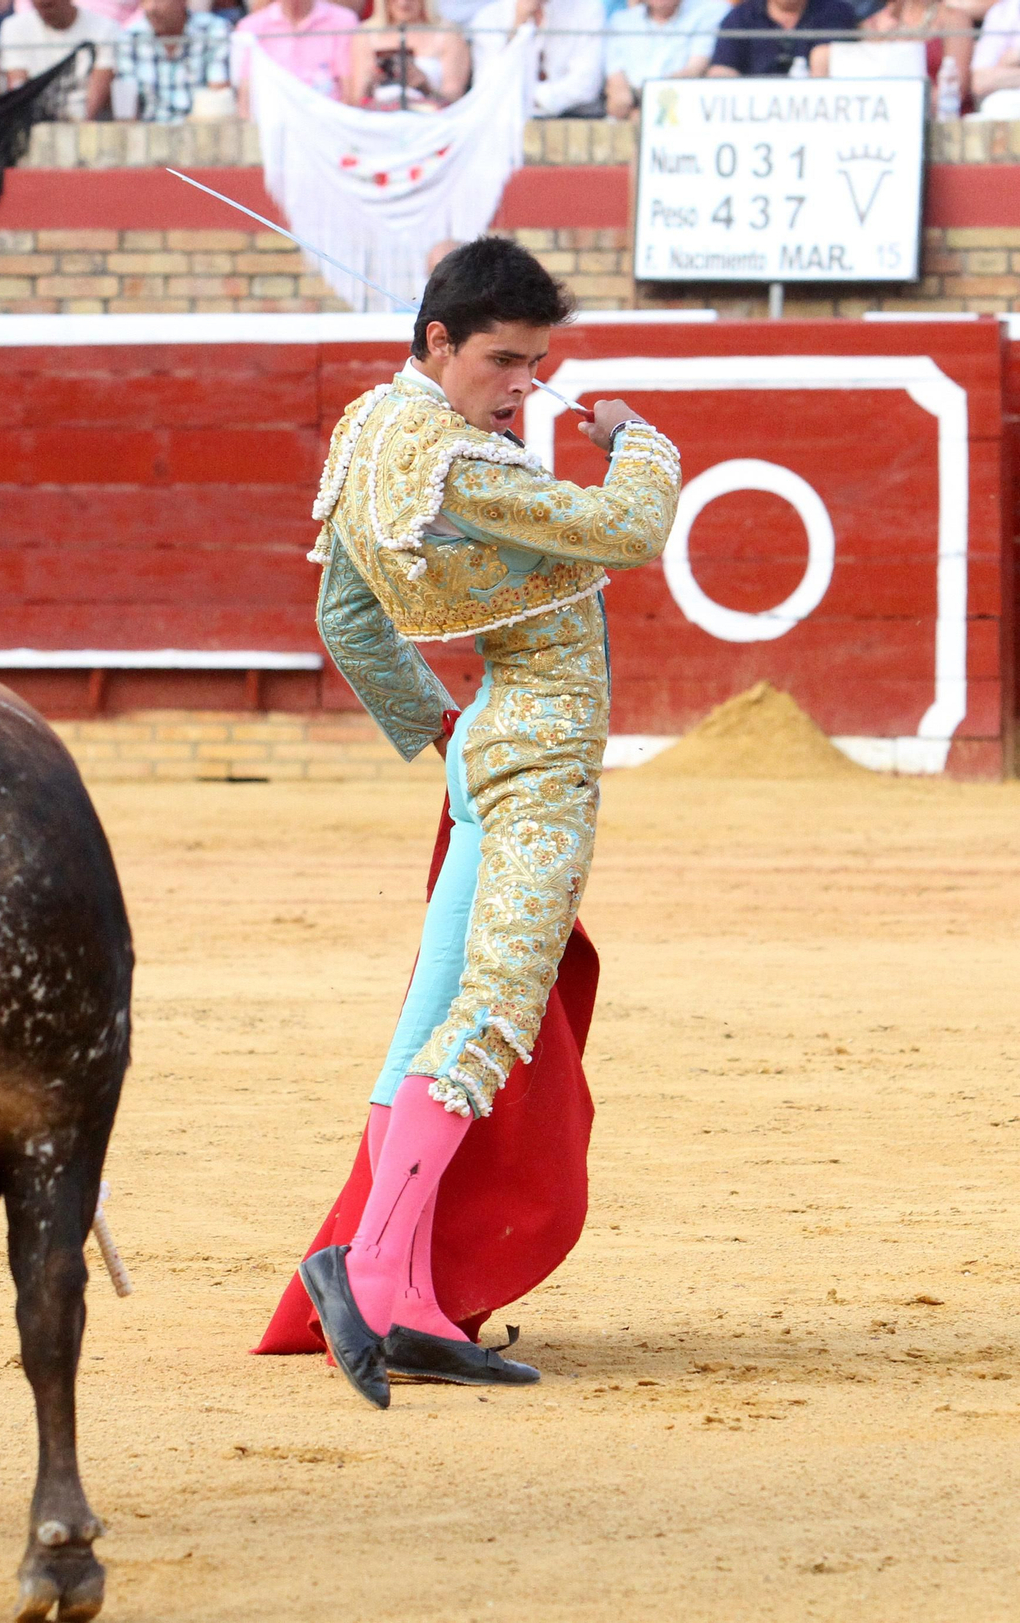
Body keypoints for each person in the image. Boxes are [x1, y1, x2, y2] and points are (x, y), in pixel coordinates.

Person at [280, 237, 680, 1405]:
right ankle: (360, 1267)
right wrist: (642, 441)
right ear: (437, 341)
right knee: (493, 1012)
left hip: (486, 744)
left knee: (431, 1018)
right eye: (504, 362)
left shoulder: (365, 434)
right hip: (539, 758)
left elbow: (346, 618)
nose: (521, 387)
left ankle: (400, 1293)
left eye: (537, 364)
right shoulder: (458, 464)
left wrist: (446, 735)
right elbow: (628, 531)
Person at [471, 0, 606, 116]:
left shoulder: (587, 8)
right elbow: (487, 88)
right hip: (504, 123)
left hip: (575, 120)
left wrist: (528, 97)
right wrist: (517, 26)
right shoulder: (489, 16)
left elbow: (586, 85)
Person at [230, 0, 353, 117]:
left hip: (328, 121)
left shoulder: (343, 20)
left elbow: (350, 94)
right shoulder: (251, 26)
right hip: (273, 124)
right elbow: (245, 99)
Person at [604, 0, 725, 118]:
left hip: (684, 111)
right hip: (630, 114)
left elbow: (695, 69)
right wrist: (630, 109)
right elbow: (617, 86)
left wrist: (649, 110)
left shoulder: (710, 10)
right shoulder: (621, 20)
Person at [114, 0, 230, 122]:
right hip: (148, 135)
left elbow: (218, 99)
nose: (151, 8)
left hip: (201, 133)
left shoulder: (214, 30)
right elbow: (127, 113)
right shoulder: (130, 38)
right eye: (145, 0)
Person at [0, 0, 117, 118]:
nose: (43, 3)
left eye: (50, 3)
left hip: (84, 124)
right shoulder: (15, 27)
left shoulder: (105, 29)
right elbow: (19, 91)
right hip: (33, 122)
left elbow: (92, 109)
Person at [347, 0, 466, 107]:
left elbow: (455, 100)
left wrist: (425, 88)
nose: (403, 3)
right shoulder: (366, 34)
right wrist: (371, 84)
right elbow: (356, 100)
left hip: (430, 123)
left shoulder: (448, 34)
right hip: (379, 122)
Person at [707, 0, 857, 76]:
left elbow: (826, 70)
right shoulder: (741, 16)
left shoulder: (835, 11)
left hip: (814, 113)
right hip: (751, 115)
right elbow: (722, 70)